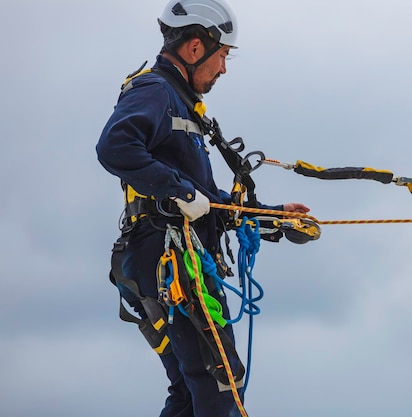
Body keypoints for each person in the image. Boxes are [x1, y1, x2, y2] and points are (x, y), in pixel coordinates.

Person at [96, 1, 309, 416]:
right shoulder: (156, 91)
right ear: (195, 48)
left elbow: (205, 200)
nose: (224, 69)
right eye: (223, 55)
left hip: (157, 258)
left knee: (191, 393)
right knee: (221, 383)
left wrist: (273, 216)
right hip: (171, 258)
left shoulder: (177, 103)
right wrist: (180, 192)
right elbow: (115, 147)